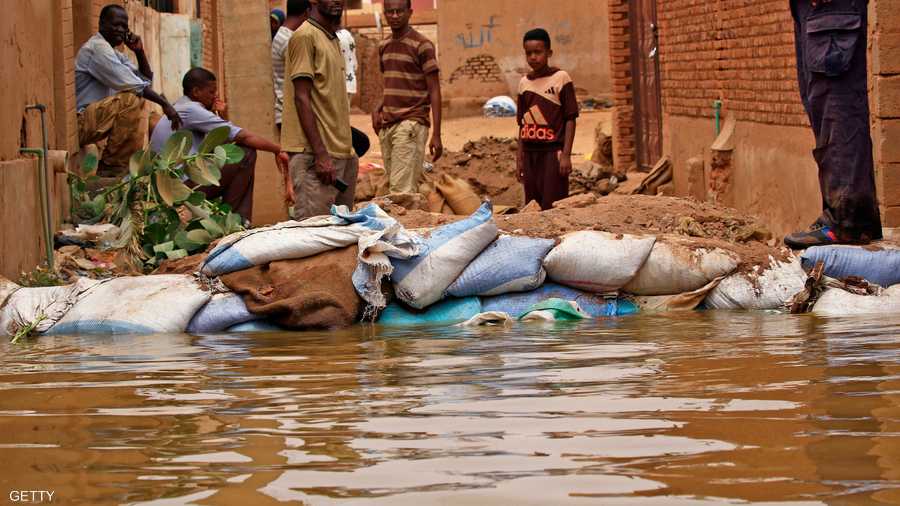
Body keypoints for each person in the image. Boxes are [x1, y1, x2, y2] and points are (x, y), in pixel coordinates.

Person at [784, 0, 883, 248]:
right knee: (821, 102)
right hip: (813, 10)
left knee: (837, 104)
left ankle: (846, 222)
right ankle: (850, 219)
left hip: (832, 10)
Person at [150, 68, 292, 223]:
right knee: (246, 153)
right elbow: (242, 137)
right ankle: (235, 221)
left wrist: (222, 116)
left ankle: (235, 221)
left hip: (169, 186)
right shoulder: (192, 110)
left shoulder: (179, 106)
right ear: (196, 92)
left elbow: (225, 145)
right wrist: (278, 149)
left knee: (237, 154)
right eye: (211, 92)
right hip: (181, 187)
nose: (215, 96)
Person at [75, 4, 181, 177]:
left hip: (94, 123)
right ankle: (111, 168)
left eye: (124, 26)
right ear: (101, 24)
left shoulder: (113, 52)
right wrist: (165, 105)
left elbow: (144, 81)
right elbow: (137, 86)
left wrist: (139, 51)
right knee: (130, 100)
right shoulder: (97, 49)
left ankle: (121, 167)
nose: (120, 30)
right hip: (80, 123)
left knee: (137, 99)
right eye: (115, 25)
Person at [282, 0, 358, 220]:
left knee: (341, 234)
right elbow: (301, 98)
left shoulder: (331, 38)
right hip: (315, 156)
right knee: (314, 234)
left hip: (340, 154)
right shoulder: (305, 36)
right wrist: (321, 154)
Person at [372, 0, 443, 194]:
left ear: (410, 12)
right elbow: (391, 83)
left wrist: (436, 133)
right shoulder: (384, 45)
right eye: (390, 12)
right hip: (388, 125)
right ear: (384, 13)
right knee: (400, 185)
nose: (394, 16)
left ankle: (408, 222)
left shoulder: (422, 45)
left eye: (399, 11)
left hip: (412, 122)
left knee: (400, 191)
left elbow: (434, 90)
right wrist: (377, 109)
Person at [516, 28, 578, 210]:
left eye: (538, 52)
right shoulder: (524, 83)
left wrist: (566, 155)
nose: (533, 57)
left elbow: (570, 119)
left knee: (553, 205)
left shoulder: (561, 78)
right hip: (530, 153)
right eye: (529, 53)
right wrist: (520, 157)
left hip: (553, 153)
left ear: (549, 53)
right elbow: (522, 124)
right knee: (532, 206)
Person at [272, 0, 311, 130]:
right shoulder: (290, 40)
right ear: (307, 13)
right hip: (290, 112)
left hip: (287, 110)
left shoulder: (283, 35)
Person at [336, 25, 371, 158]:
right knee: (342, 123)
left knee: (338, 127)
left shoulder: (334, 37)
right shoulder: (347, 35)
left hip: (338, 85)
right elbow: (354, 64)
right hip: (349, 82)